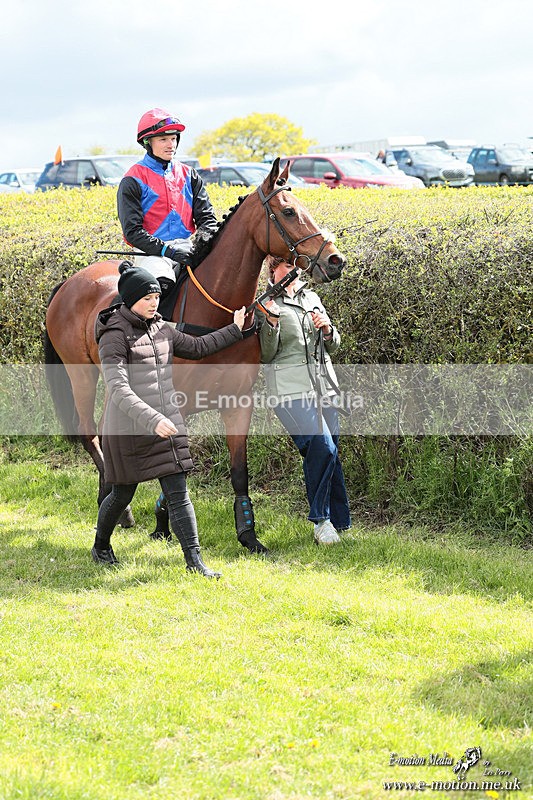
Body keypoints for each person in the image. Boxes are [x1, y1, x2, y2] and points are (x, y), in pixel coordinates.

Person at [92, 262, 246, 577]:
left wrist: (236, 328)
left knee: (179, 493)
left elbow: (200, 347)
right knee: (121, 493)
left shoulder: (163, 329)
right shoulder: (113, 335)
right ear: (130, 298)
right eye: (147, 297)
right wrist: (153, 420)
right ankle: (101, 545)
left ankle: (195, 562)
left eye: (157, 297)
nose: (154, 302)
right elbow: (118, 389)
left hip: (167, 425)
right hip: (128, 430)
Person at [259, 256, 351, 545]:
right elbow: (265, 355)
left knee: (329, 451)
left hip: (324, 385)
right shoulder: (265, 304)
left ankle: (339, 520)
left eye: (295, 265)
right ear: (273, 271)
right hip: (289, 390)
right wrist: (271, 322)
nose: (293, 271)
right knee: (321, 446)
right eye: (285, 266)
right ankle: (321, 522)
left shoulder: (312, 296)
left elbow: (333, 346)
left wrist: (327, 329)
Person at [117, 107, 218, 318]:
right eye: (163, 139)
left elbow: (207, 218)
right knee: (160, 285)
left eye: (173, 138)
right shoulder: (132, 180)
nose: (170, 144)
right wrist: (170, 252)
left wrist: (202, 243)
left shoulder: (189, 174)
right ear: (148, 142)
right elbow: (133, 232)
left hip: (187, 246)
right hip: (152, 253)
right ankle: (152, 339)